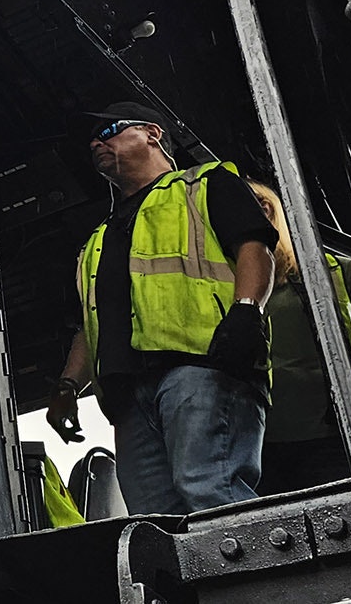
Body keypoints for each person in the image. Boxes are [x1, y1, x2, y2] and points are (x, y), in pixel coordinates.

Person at [46, 101, 279, 514]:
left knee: (211, 493)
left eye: (110, 130)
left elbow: (254, 246)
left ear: (153, 133)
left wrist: (247, 311)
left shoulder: (204, 184)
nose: (97, 142)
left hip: (202, 367)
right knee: (155, 525)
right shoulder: (97, 239)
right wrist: (67, 388)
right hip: (127, 397)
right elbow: (88, 322)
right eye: (93, 140)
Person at [249, 179, 351, 494]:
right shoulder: (222, 283)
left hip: (335, 434)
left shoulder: (326, 270)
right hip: (260, 442)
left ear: (265, 209)